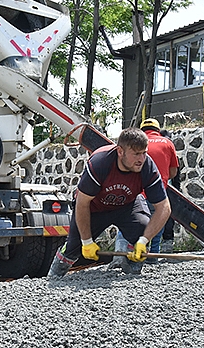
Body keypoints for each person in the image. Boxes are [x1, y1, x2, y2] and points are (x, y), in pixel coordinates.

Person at [47, 127, 172, 278]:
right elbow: (82, 203)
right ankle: (54, 276)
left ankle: (132, 271)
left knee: (142, 227)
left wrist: (144, 240)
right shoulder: (100, 163)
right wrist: (86, 241)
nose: (141, 159)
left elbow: (164, 207)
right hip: (94, 208)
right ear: (120, 152)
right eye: (136, 154)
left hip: (127, 205)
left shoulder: (147, 167)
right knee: (74, 247)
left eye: (144, 153)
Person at [112, 119, 179, 265]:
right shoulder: (167, 143)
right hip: (157, 193)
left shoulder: (134, 144)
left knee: (127, 224)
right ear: (158, 129)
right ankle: (152, 256)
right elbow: (173, 171)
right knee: (157, 222)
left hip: (136, 193)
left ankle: (120, 257)